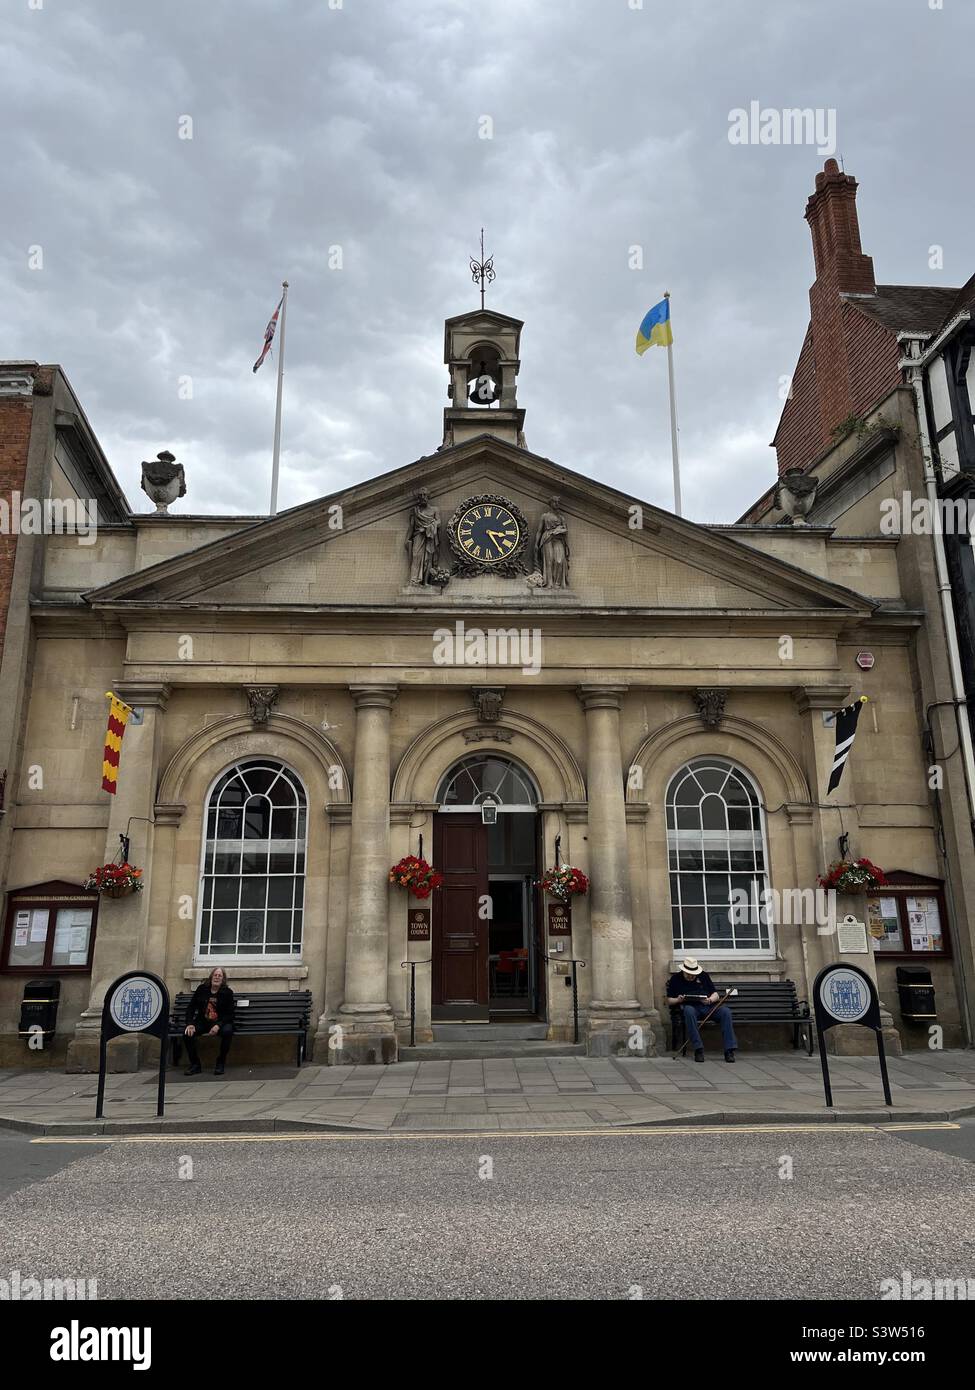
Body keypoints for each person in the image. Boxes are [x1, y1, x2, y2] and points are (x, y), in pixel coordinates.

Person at [665, 956, 737, 1063]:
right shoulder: (676, 979)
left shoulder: (703, 976)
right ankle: (698, 1049)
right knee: (688, 1011)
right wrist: (678, 1000)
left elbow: (716, 995)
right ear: (683, 971)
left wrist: (710, 1000)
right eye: (688, 974)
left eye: (693, 975)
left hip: (708, 1007)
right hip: (691, 1008)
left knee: (725, 1012)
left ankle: (729, 1050)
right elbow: (669, 1000)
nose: (691, 976)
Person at [183, 966, 235, 1075]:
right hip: (203, 1022)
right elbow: (191, 1007)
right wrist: (190, 1024)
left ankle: (220, 1063)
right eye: (215, 975)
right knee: (187, 1034)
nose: (217, 977)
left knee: (228, 1032)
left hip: (220, 1022)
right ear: (211, 977)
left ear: (223, 979)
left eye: (219, 976)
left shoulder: (228, 993)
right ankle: (195, 1064)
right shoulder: (202, 989)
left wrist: (218, 1026)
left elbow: (229, 1014)